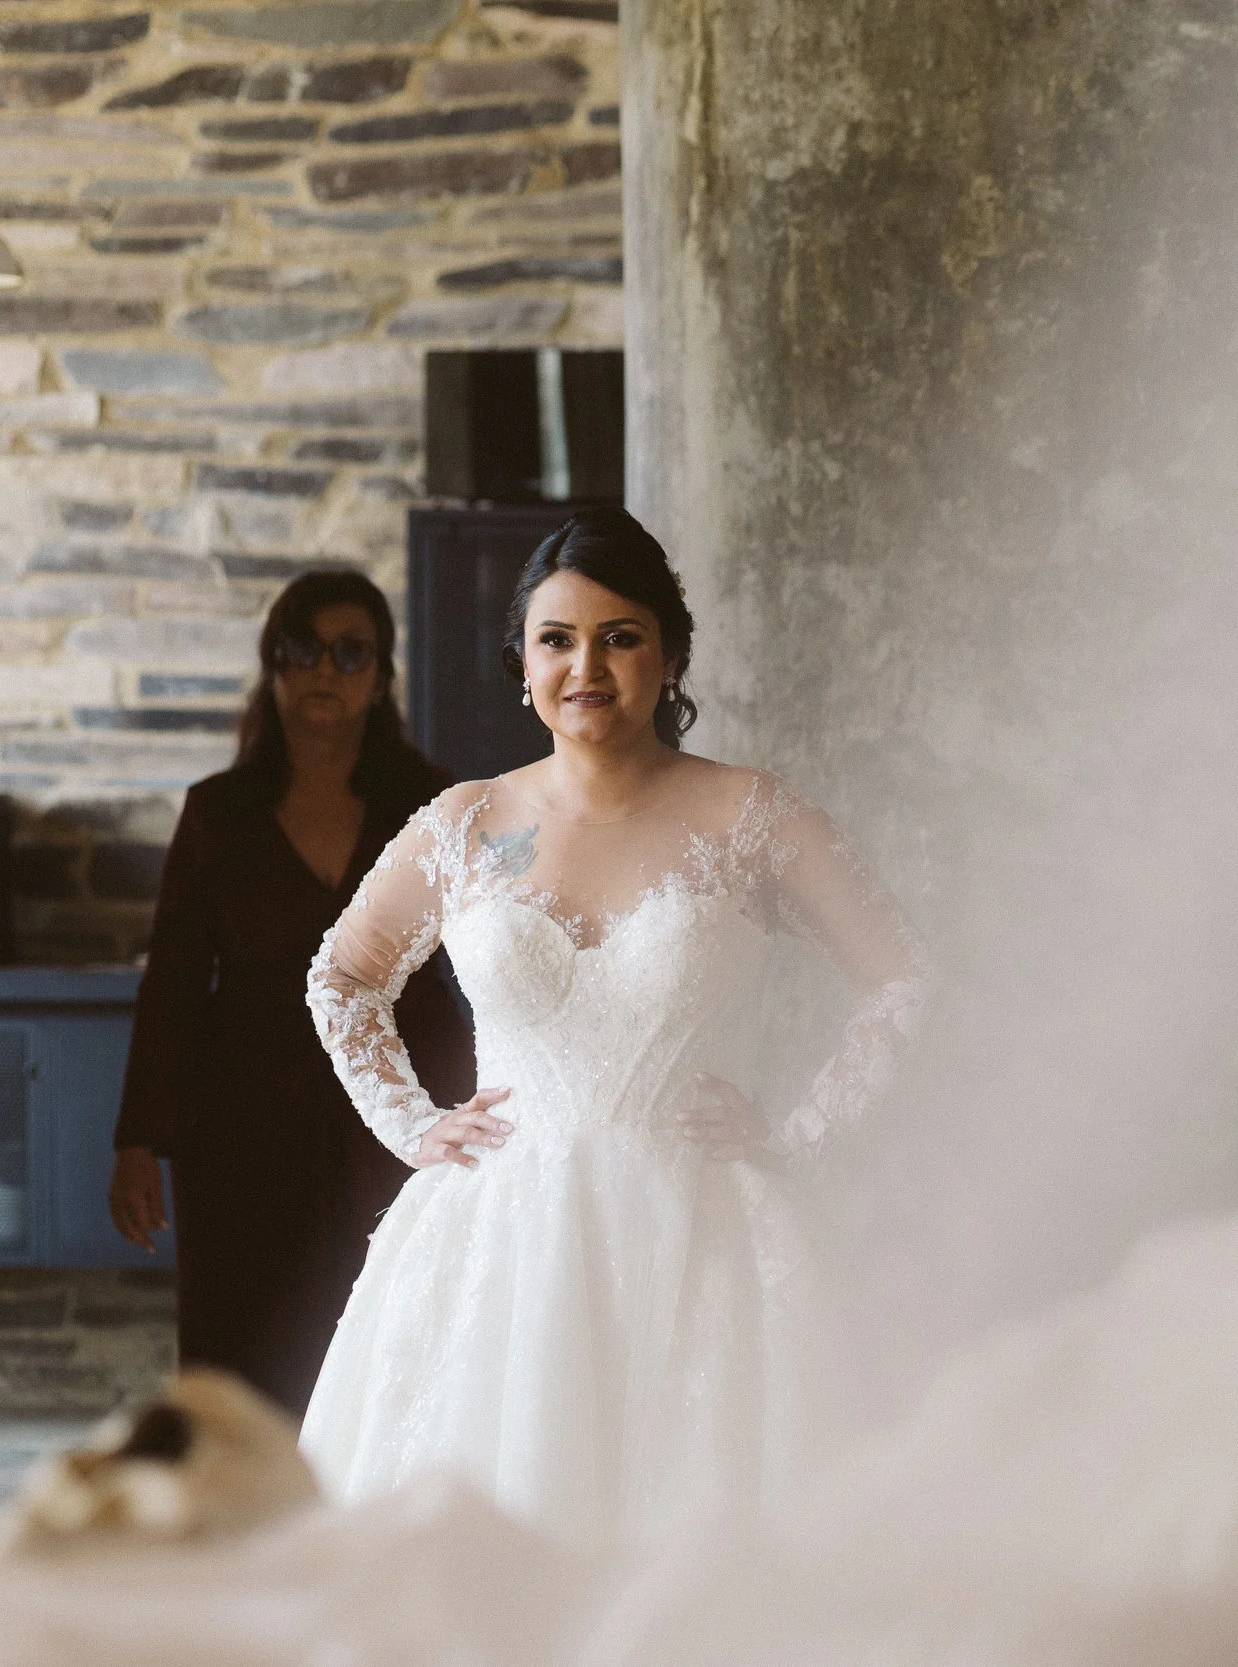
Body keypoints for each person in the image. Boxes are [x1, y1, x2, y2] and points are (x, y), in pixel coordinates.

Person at [297, 507, 928, 1541]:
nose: (585, 665)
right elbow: (342, 976)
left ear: (669, 654)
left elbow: (901, 975)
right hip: (498, 1247)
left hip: (701, 1233)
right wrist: (412, 1123)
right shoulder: (465, 822)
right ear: (523, 662)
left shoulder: (751, 814)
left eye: (619, 636)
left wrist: (801, 1130)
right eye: (557, 639)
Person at [108, 571, 475, 1419]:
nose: (324, 671)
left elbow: (485, 960)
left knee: (389, 1331)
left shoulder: (428, 805)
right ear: (270, 667)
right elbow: (171, 983)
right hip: (240, 1121)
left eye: (351, 652)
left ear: (380, 677)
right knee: (243, 1348)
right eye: (299, 650)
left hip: (395, 1104)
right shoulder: (218, 813)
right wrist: (137, 1141)